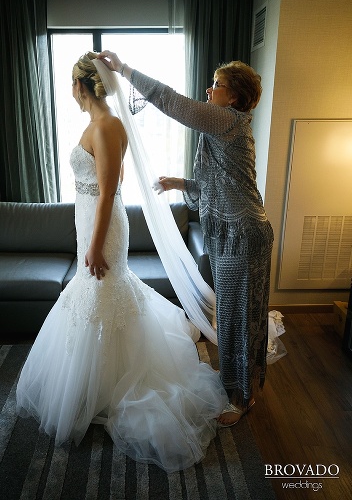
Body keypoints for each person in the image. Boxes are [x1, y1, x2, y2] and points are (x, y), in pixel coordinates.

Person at [15, 54, 228, 473]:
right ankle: (99, 384)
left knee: (101, 294)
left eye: (71, 86)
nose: (70, 93)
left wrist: (95, 246)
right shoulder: (94, 125)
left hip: (104, 229)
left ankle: (112, 386)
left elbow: (109, 192)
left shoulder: (109, 126)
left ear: (81, 85)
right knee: (96, 300)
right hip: (87, 223)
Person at [97, 50, 274, 428]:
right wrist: (179, 183)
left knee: (237, 317)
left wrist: (125, 69)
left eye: (217, 85)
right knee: (237, 314)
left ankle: (241, 397)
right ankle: (244, 385)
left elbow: (173, 103)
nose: (209, 91)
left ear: (234, 96)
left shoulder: (228, 120)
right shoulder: (231, 126)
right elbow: (220, 184)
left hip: (241, 235)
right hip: (241, 231)